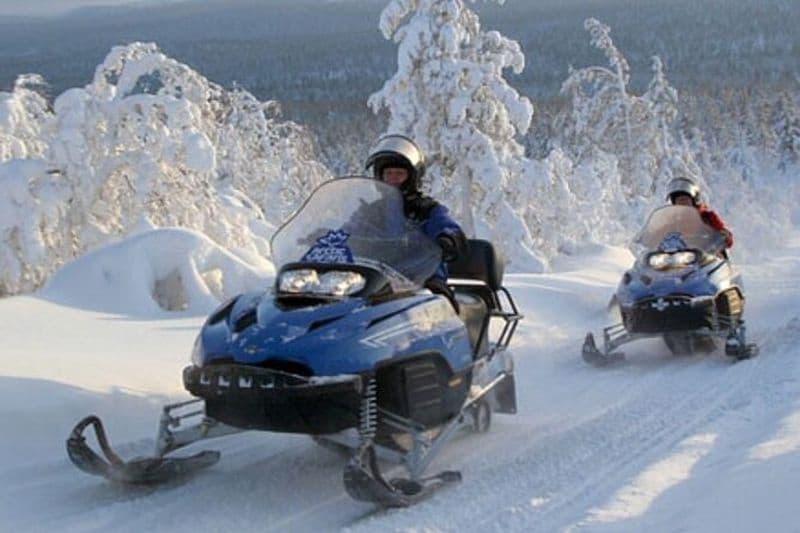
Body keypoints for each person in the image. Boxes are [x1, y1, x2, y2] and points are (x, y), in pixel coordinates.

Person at [364, 134, 467, 308]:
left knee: (434, 310)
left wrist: (448, 238)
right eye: (388, 174)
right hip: (376, 280)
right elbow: (349, 228)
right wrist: (325, 236)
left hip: (423, 280)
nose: (393, 179)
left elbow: (448, 227)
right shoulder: (370, 212)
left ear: (412, 177)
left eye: (399, 174)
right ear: (379, 176)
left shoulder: (427, 210)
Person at [666, 177, 733, 249]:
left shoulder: (708, 217)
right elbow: (659, 237)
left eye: (685, 199)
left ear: (693, 201)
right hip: (680, 256)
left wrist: (724, 236)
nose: (682, 203)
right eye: (679, 200)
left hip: (708, 255)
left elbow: (726, 236)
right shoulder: (673, 222)